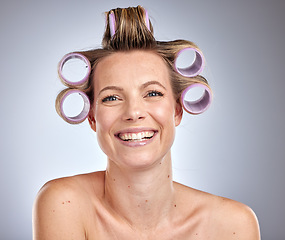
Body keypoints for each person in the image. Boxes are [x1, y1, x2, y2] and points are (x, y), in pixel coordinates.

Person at [32, 6, 260, 240]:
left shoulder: (232, 225)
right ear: (92, 117)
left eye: (152, 93)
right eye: (111, 97)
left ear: (178, 110)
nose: (134, 112)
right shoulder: (63, 204)